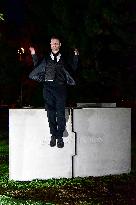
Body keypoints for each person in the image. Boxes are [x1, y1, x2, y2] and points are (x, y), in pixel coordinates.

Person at [29, 36, 79, 148]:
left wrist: (76, 56)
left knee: (60, 112)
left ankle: (60, 137)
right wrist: (33, 54)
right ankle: (53, 135)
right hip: (48, 87)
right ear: (50, 45)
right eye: (53, 44)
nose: (54, 45)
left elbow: (73, 67)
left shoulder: (64, 59)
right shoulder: (45, 58)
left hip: (61, 87)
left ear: (59, 45)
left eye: (56, 43)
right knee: (50, 112)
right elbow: (37, 65)